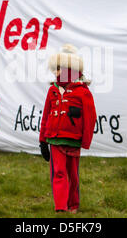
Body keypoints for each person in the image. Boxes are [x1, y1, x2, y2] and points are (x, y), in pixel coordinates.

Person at [39, 44, 97, 213]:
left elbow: (90, 118)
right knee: (58, 172)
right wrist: (42, 141)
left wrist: (85, 142)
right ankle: (61, 207)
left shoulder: (83, 92)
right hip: (54, 138)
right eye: (56, 68)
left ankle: (73, 204)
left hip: (73, 140)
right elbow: (46, 116)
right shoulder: (52, 90)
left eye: (61, 68)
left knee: (72, 174)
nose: (57, 72)